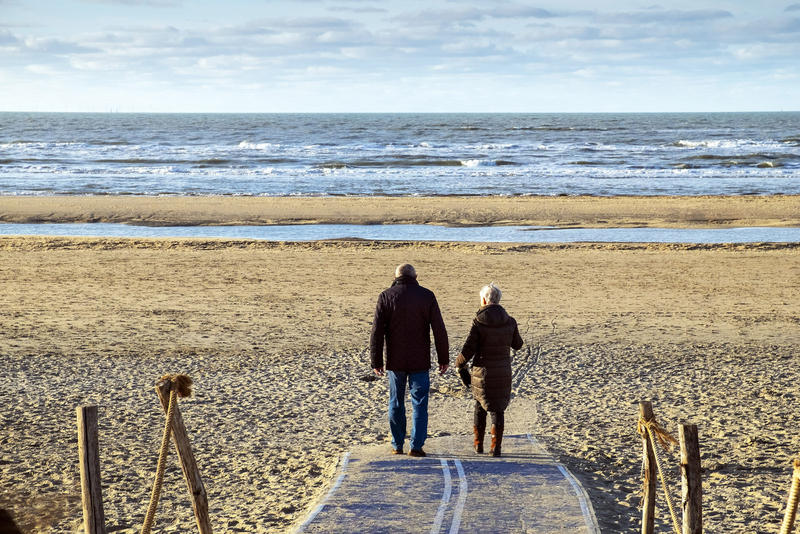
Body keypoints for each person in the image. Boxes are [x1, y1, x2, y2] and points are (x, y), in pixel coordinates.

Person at [371, 263, 449, 457]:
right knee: (420, 403)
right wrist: (443, 358)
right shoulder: (426, 295)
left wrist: (377, 361)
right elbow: (439, 329)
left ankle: (397, 444)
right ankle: (416, 446)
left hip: (395, 360)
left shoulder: (386, 296)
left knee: (396, 401)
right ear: (416, 276)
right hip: (419, 359)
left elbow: (377, 332)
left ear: (396, 276)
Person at [456, 283, 523, 457]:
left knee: (479, 405)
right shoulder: (510, 321)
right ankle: (496, 448)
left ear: (484, 300)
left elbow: (468, 350)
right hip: (502, 371)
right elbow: (518, 344)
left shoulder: (478, 322)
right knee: (497, 409)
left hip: (482, 372)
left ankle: (478, 445)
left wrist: (459, 363)